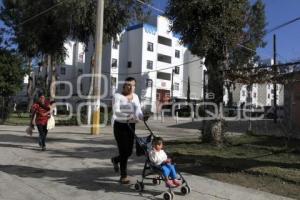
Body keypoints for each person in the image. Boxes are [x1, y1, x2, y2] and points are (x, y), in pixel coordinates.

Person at [111, 77, 148, 184]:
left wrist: (142, 117)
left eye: (133, 85)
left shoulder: (136, 97)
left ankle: (115, 160)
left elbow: (138, 111)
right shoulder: (117, 96)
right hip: (120, 126)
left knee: (129, 152)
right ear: (124, 86)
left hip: (131, 126)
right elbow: (116, 112)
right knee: (123, 151)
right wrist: (128, 117)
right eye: (128, 85)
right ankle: (123, 176)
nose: (131, 87)